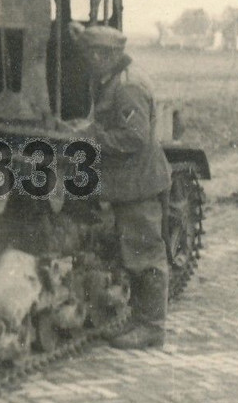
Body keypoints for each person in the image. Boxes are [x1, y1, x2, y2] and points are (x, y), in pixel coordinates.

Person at [69, 22, 172, 349]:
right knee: (131, 251)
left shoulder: (127, 87)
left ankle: (152, 326)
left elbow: (134, 138)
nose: (86, 61)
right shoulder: (113, 78)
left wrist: (90, 138)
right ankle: (138, 318)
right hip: (128, 181)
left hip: (138, 183)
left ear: (105, 55)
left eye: (90, 54)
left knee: (145, 255)